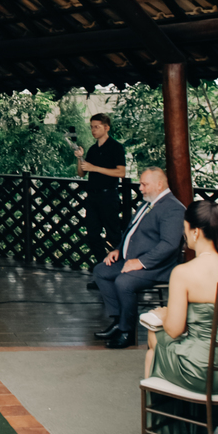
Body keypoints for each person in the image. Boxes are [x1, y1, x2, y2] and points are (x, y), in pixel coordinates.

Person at [143, 200, 218, 434]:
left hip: (201, 372)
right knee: (160, 351)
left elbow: (175, 330)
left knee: (154, 340)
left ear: (196, 232)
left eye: (185, 228)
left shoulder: (184, 272)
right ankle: (193, 432)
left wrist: (164, 313)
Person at [89, 167, 187, 348]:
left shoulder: (173, 208)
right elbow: (131, 232)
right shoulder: (147, 203)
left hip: (157, 267)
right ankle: (118, 321)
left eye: (144, 184)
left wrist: (140, 262)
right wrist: (118, 250)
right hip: (131, 260)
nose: (140, 188)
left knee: (124, 282)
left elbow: (169, 245)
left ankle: (127, 332)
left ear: (159, 184)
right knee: (101, 271)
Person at [76, 112, 126, 262]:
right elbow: (81, 173)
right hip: (93, 196)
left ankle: (119, 264)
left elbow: (121, 172)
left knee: (113, 234)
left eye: (96, 127)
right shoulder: (93, 149)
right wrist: (80, 158)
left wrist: (95, 168)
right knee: (92, 233)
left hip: (108, 195)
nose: (93, 130)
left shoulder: (116, 147)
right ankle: (101, 264)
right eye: (91, 127)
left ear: (106, 128)